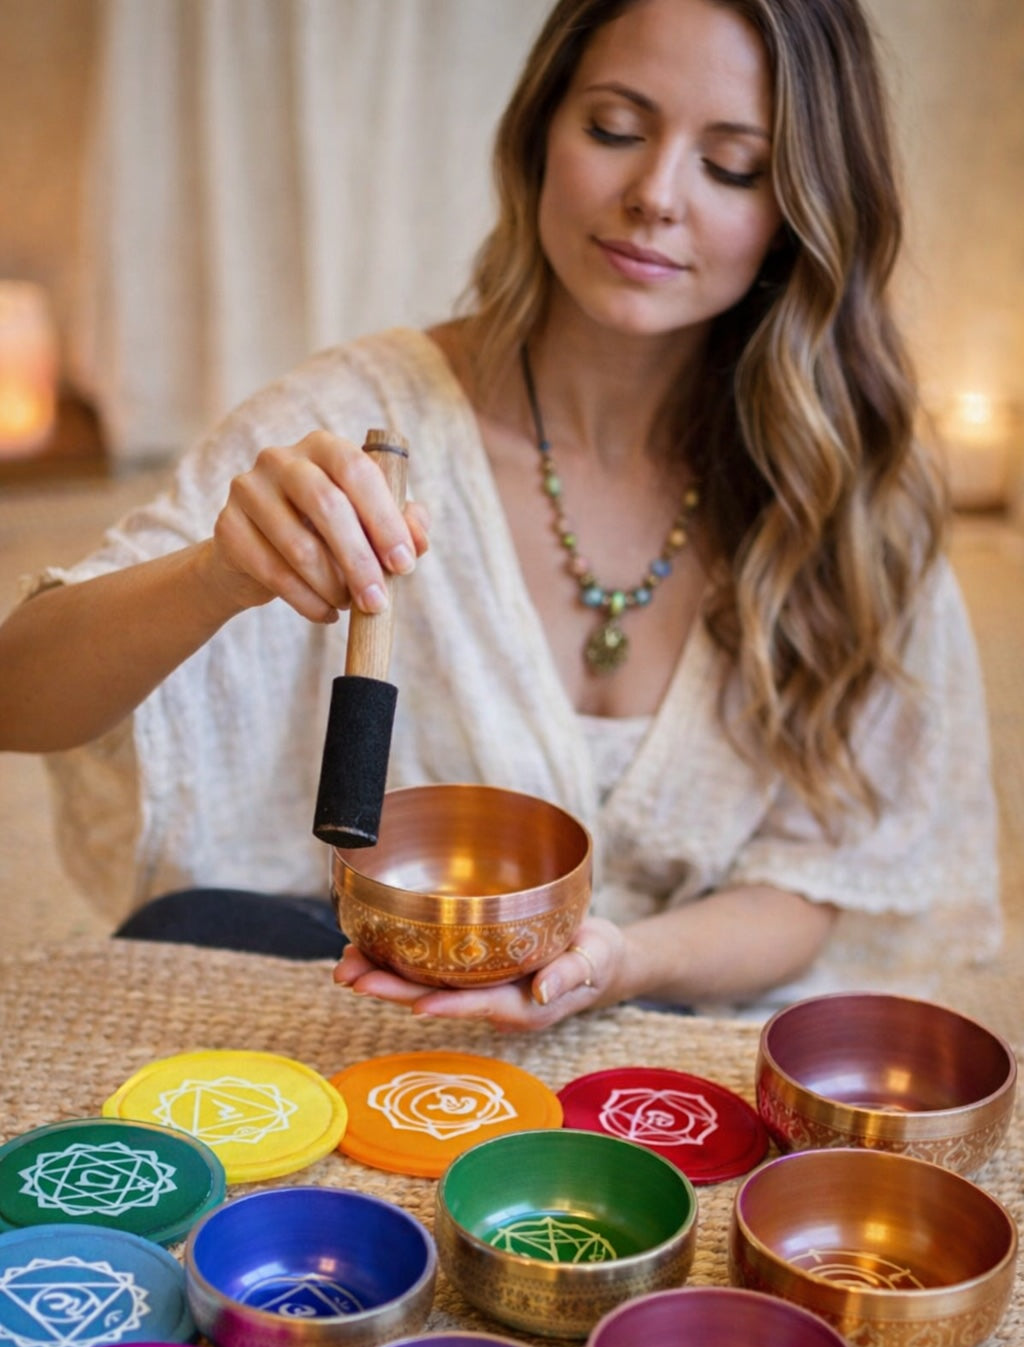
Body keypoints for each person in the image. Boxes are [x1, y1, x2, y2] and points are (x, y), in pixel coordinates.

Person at [0, 0, 1000, 1029]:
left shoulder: (841, 484)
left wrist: (615, 960)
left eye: (733, 165)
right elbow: (17, 694)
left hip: (692, 1026)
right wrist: (213, 575)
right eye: (614, 128)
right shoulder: (360, 420)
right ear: (537, 138)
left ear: (800, 208)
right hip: (382, 1016)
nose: (654, 195)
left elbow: (813, 883)